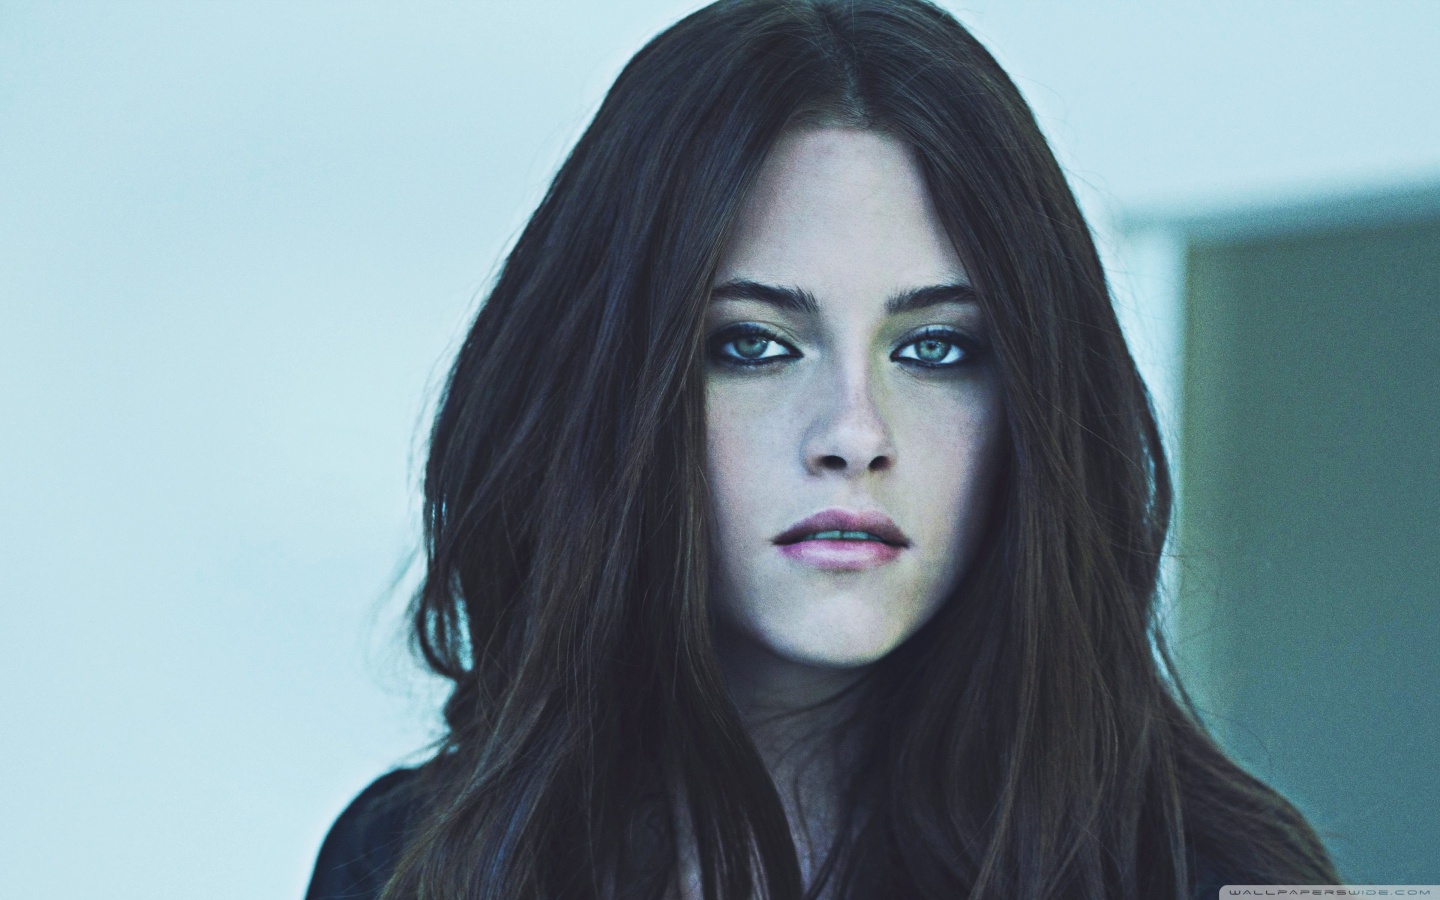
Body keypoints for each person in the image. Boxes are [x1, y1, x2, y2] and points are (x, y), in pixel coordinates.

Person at [305, 1, 1339, 898]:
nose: (854, 433)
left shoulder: (1234, 875)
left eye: (936, 349)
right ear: (610, 392)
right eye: (751, 346)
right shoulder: (413, 857)